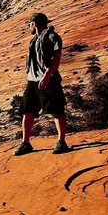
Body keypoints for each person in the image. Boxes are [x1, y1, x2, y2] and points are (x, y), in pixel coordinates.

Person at [13, 12, 69, 155]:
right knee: (27, 111)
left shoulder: (52, 37)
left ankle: (61, 141)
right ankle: (26, 143)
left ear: (35, 23)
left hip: (48, 79)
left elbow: (57, 58)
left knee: (57, 110)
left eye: (29, 24)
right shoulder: (33, 40)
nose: (29, 27)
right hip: (32, 80)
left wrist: (46, 76)